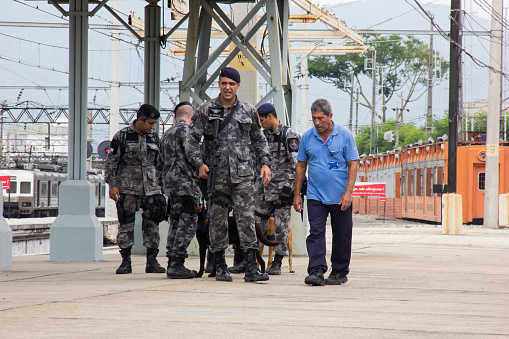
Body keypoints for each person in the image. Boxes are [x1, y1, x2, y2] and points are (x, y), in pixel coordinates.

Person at [185, 66, 272, 282]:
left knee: (247, 220)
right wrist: (199, 164)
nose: (227, 87)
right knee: (217, 221)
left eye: (231, 84)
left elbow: (259, 140)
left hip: (243, 176)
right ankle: (221, 266)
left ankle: (251, 267)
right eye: (224, 83)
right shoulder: (205, 110)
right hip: (216, 176)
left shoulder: (249, 110)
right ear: (219, 84)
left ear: (238, 86)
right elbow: (191, 141)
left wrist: (265, 164)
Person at [293, 98, 359, 286]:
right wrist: (297, 194)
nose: (316, 123)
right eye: (313, 118)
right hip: (315, 195)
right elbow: (301, 165)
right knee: (315, 233)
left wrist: (348, 193)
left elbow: (353, 164)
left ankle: (339, 272)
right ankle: (316, 271)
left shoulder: (345, 135)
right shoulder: (307, 136)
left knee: (342, 234)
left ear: (330, 116)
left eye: (320, 118)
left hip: (340, 197)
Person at [230, 103, 300, 275]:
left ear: (270, 116)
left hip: (282, 191)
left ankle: (277, 262)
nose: (259, 124)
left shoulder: (288, 135)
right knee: (254, 224)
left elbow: (296, 164)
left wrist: (288, 187)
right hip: (263, 190)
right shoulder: (263, 136)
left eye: (261, 120)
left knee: (281, 227)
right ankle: (249, 261)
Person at [105, 104, 166, 275]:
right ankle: (126, 261)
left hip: (151, 190)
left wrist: (160, 184)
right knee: (126, 225)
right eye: (150, 123)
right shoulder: (122, 136)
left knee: (152, 226)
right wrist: (112, 185)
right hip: (128, 189)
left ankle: (152, 262)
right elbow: (111, 162)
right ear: (141, 120)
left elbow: (159, 163)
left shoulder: (153, 138)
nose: (152, 127)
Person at [159, 101, 200, 279]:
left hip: (171, 186)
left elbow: (159, 162)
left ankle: (172, 262)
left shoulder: (166, 134)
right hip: (187, 185)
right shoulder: (188, 131)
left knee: (175, 222)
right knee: (188, 222)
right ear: (192, 116)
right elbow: (194, 155)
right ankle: (177, 263)